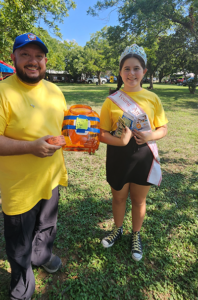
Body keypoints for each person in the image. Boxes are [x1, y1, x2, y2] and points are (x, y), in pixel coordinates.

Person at [0, 33, 68, 300]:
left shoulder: (55, 90)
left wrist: (82, 137)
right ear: (14, 57)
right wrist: (30, 146)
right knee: (19, 243)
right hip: (19, 187)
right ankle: (21, 284)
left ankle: (42, 255)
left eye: (38, 56)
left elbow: (63, 128)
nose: (32, 61)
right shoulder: (4, 92)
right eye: (25, 54)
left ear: (45, 60)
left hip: (50, 178)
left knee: (47, 225)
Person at [100, 44, 168, 261]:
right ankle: (118, 229)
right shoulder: (111, 101)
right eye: (126, 69)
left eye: (136, 68)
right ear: (120, 72)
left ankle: (135, 235)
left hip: (143, 155)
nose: (131, 73)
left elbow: (163, 128)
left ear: (144, 72)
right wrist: (121, 141)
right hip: (118, 156)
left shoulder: (152, 98)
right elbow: (101, 134)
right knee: (118, 197)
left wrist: (150, 136)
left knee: (139, 201)